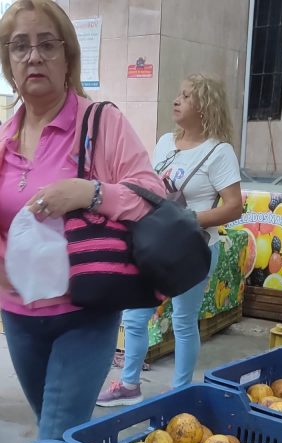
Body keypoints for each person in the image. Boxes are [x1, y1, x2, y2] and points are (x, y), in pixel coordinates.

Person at [0, 0, 165, 440]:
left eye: (47, 45)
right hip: (19, 314)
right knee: (57, 431)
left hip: (85, 310)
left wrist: (89, 192)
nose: (33, 56)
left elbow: (153, 198)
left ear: (68, 56)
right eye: (20, 47)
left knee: (55, 433)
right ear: (9, 64)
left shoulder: (101, 123)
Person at [98, 74, 243, 406]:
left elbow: (234, 207)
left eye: (187, 96)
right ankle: (129, 385)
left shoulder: (219, 153)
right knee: (134, 317)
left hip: (193, 249)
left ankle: (180, 392)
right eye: (179, 94)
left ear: (205, 107)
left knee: (182, 320)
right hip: (155, 246)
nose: (177, 101)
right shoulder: (165, 142)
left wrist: (192, 218)